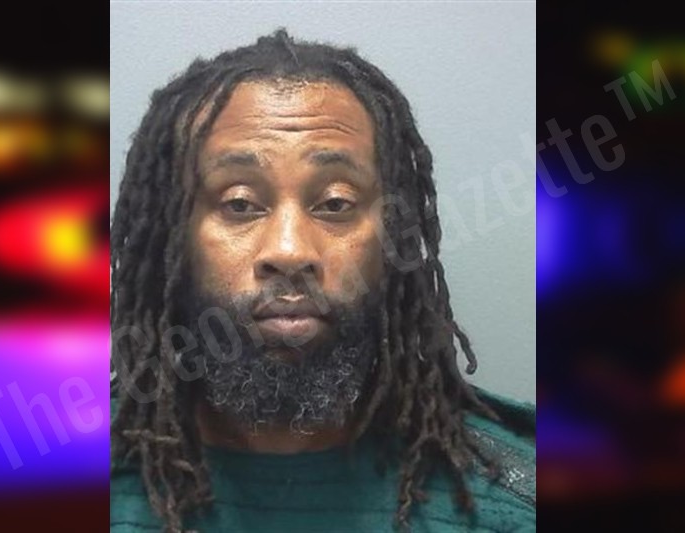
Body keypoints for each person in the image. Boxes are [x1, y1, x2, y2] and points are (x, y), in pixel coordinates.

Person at [110, 29, 534, 533]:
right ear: (172, 236)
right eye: (239, 204)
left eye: (335, 203)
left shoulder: (519, 497)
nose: (290, 251)